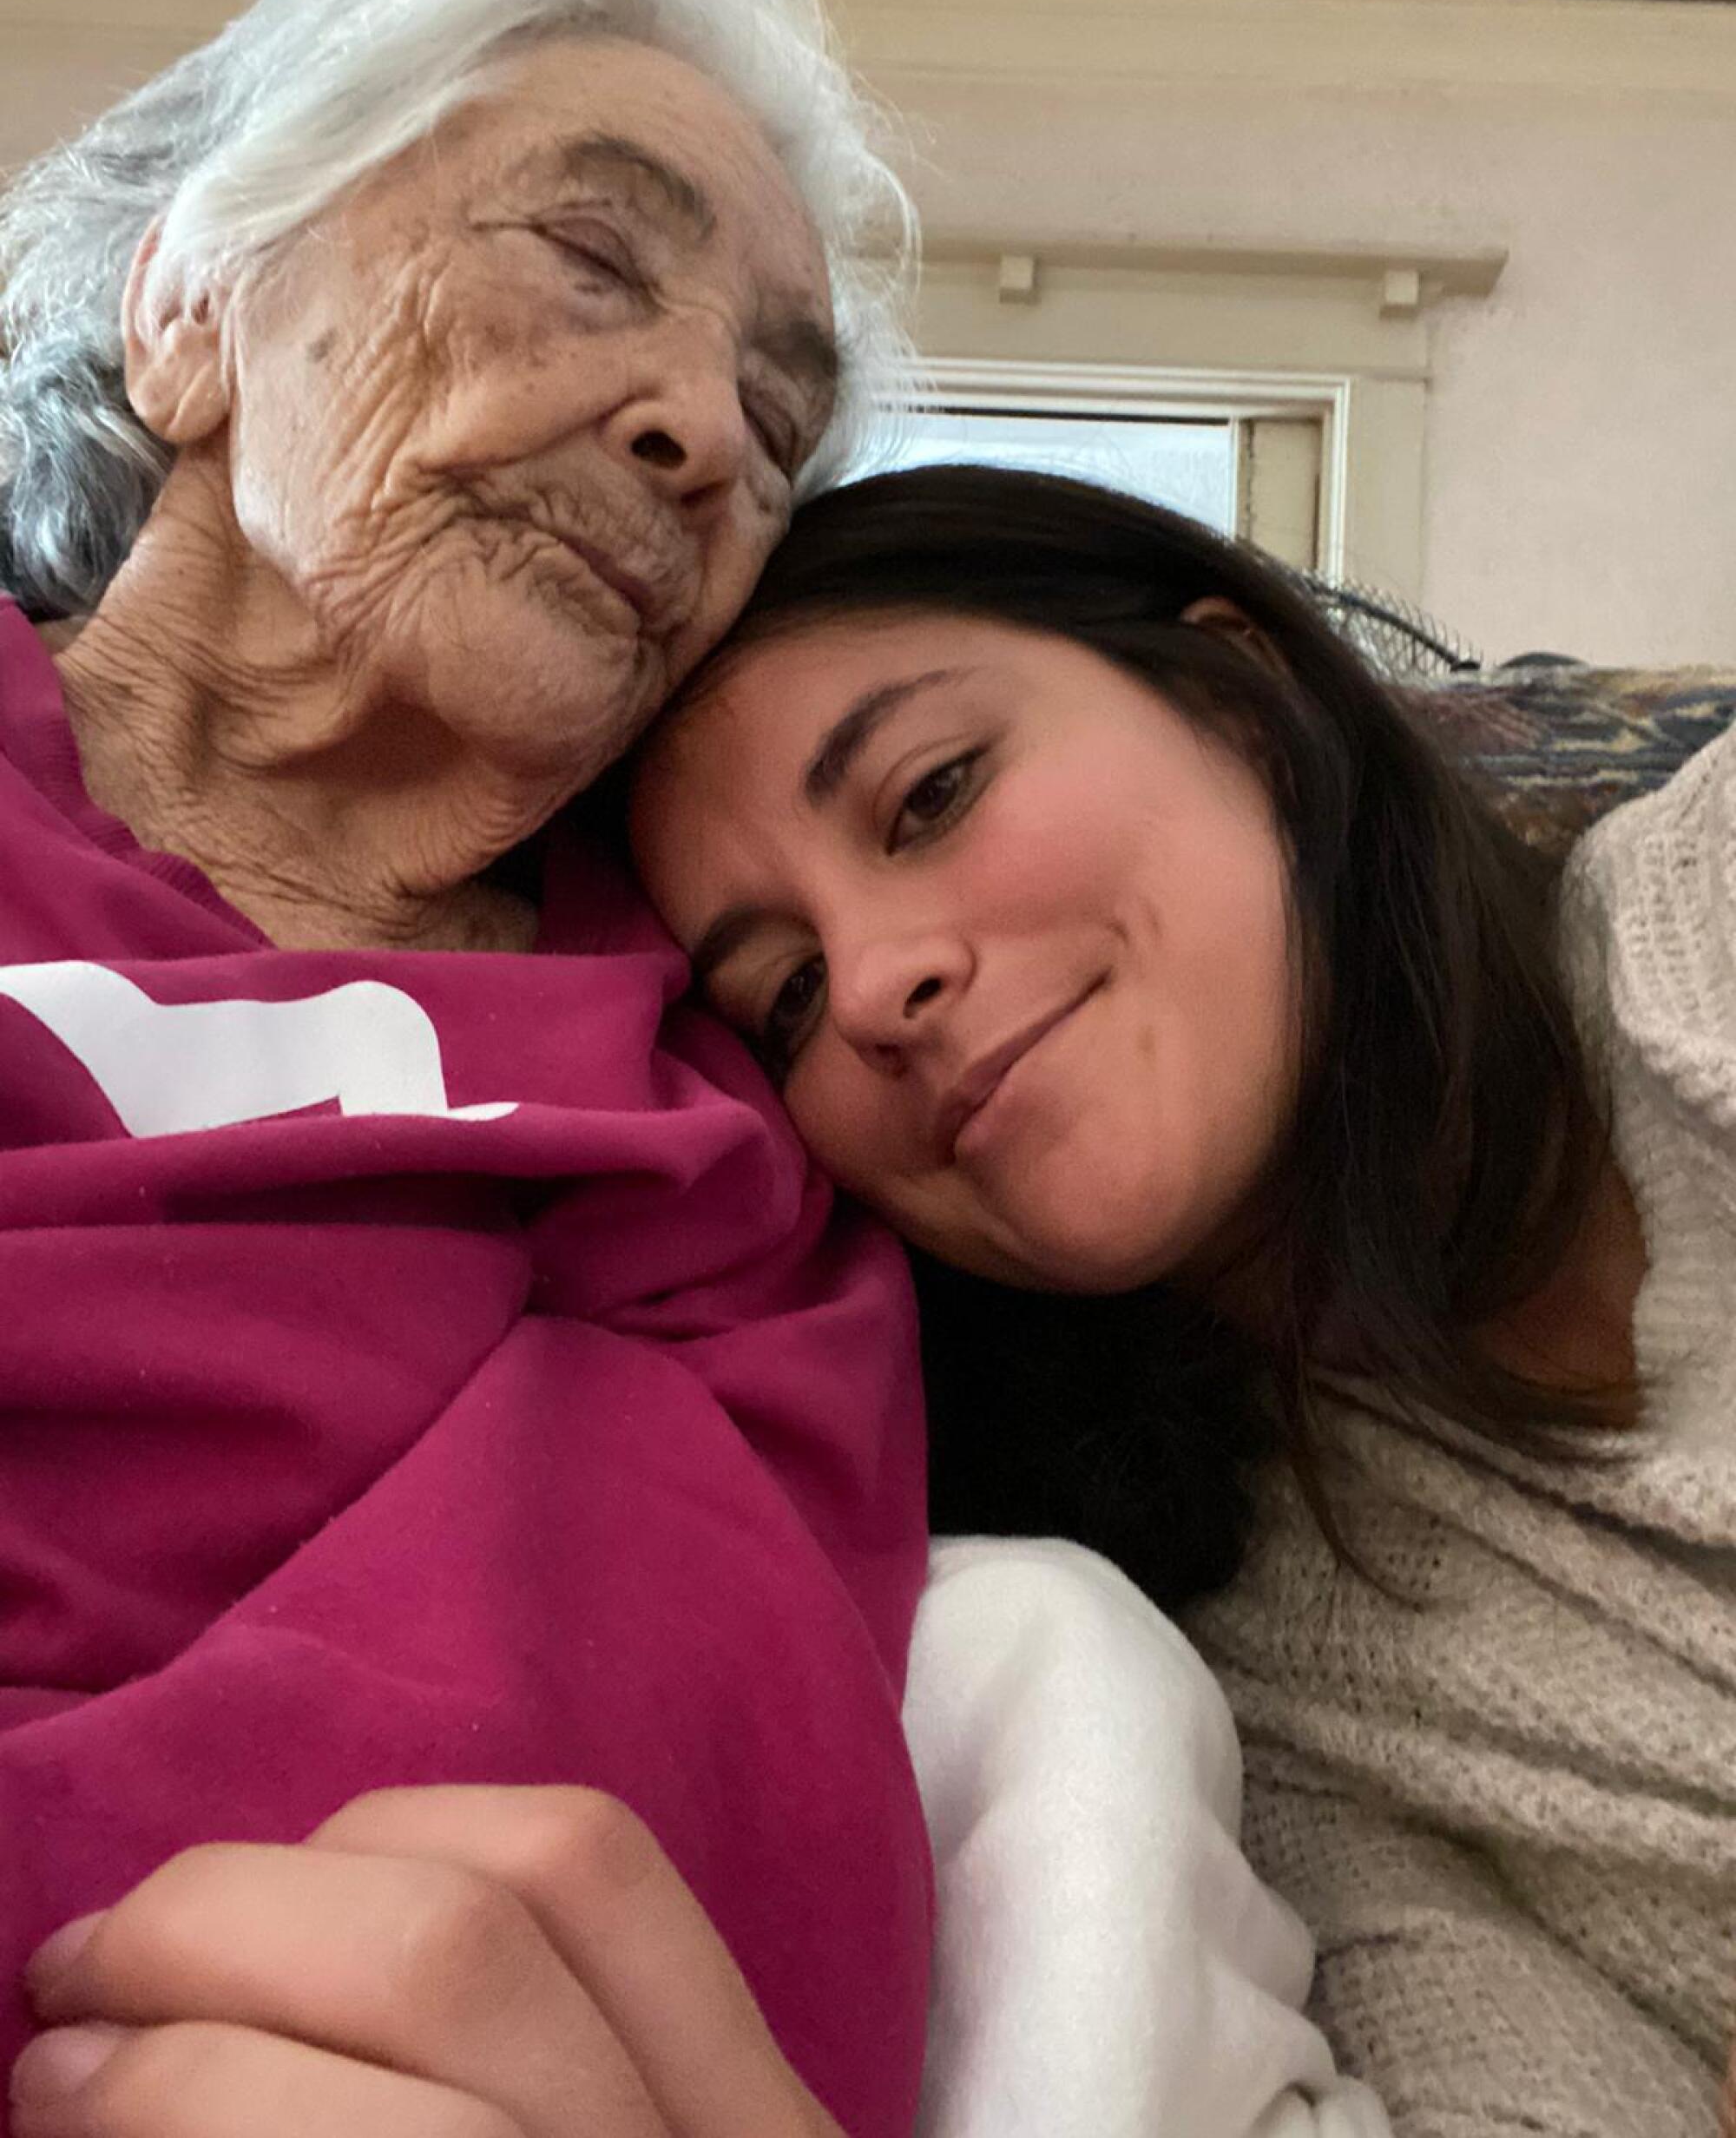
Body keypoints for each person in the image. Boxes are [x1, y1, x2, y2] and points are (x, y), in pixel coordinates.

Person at [0, 0, 941, 2138]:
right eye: (593, 264)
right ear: (189, 309)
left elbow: (685, 1808)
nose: (700, 436)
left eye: (779, 427)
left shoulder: (739, 1139)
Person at [628, 463, 1736, 2138]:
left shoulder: (1706, 912)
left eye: (930, 796)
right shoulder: (1259, 1701)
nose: (870, 985)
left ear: (1252, 698)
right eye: (779, 999)